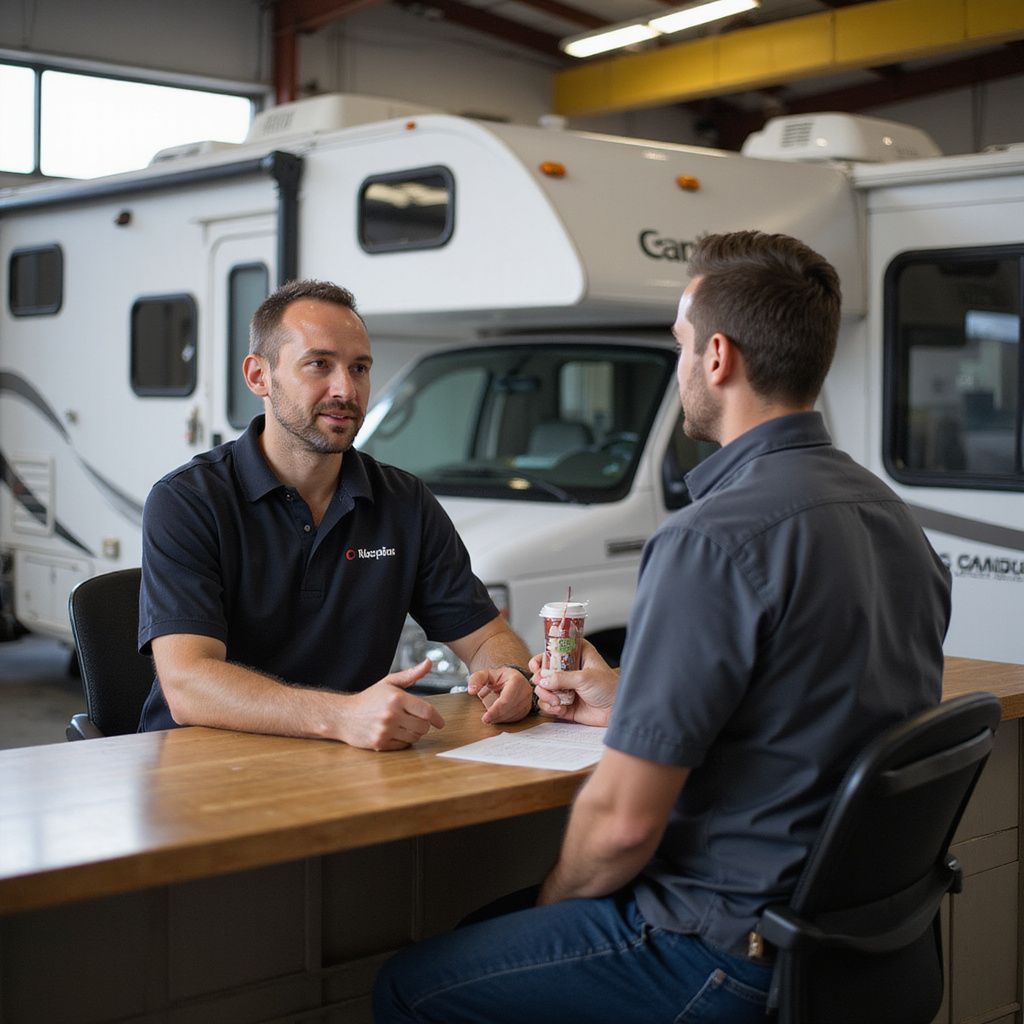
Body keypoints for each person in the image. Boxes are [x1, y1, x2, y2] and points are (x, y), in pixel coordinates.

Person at [372, 231, 952, 1022]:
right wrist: (631, 697)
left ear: (717, 357)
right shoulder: (893, 516)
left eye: (680, 344)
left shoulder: (710, 538)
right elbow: (814, 711)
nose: (681, 365)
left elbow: (620, 826)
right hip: (855, 944)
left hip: (718, 951)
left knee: (410, 986)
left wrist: (550, 913)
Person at [137, 279, 533, 748]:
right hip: (202, 770)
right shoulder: (187, 501)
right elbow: (188, 685)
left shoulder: (404, 502)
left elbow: (488, 638)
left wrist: (509, 675)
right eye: (319, 364)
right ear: (258, 376)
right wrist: (342, 716)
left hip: (347, 758)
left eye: (360, 368)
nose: (345, 389)